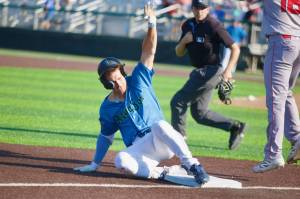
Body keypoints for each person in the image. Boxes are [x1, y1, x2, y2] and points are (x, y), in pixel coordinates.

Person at [73, 4, 209, 186]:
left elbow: (148, 51)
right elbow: (106, 136)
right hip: (140, 148)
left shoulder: (138, 79)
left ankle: (192, 165)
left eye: (120, 76)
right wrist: (94, 163)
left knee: (160, 125)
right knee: (120, 161)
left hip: (161, 139)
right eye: (114, 80)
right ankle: (160, 173)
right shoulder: (107, 107)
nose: (120, 81)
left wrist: (152, 24)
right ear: (107, 84)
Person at [170, 0, 247, 150]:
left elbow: (235, 48)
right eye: (197, 7)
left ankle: (179, 142)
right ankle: (235, 127)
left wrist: (228, 71)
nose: (200, 10)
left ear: (208, 8)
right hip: (199, 71)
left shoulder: (214, 25)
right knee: (200, 114)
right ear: (192, 8)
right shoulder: (188, 25)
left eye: (203, 7)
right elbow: (179, 52)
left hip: (211, 71)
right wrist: (184, 41)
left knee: (178, 102)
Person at [252, 0, 300, 173]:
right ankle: (296, 137)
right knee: (286, 93)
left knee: (275, 101)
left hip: (281, 41)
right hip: (298, 40)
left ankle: (273, 154)